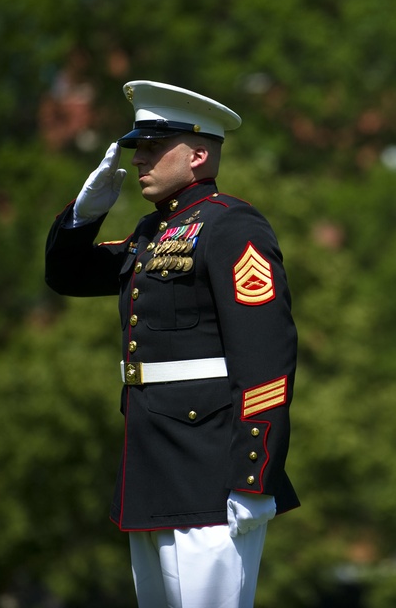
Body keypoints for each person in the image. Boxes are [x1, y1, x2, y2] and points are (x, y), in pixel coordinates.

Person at [45, 80, 299, 607]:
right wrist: (83, 216)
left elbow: (266, 356)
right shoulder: (152, 233)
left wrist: (255, 475)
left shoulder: (232, 226)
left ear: (199, 154)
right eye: (139, 148)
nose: (140, 160)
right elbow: (66, 274)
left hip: (210, 468)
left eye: (155, 148)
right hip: (153, 462)